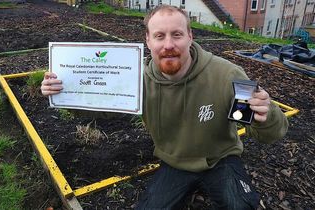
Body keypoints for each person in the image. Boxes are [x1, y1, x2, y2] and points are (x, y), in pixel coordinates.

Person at [41, 5, 289, 210]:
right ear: (148, 40)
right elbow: (104, 110)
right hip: (174, 162)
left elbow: (268, 133)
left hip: (220, 159)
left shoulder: (228, 75)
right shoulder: (136, 81)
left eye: (177, 34)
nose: (168, 44)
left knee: (242, 206)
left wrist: (265, 115)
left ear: (190, 36)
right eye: (159, 36)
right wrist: (64, 93)